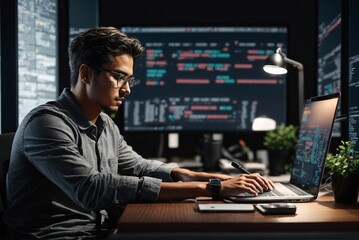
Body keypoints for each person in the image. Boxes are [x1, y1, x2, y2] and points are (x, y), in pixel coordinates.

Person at [3, 27, 273, 239]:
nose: (127, 89)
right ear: (86, 74)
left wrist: (198, 176)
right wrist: (210, 189)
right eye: (118, 77)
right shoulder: (46, 123)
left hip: (100, 231)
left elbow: (137, 166)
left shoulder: (105, 125)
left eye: (129, 80)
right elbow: (91, 189)